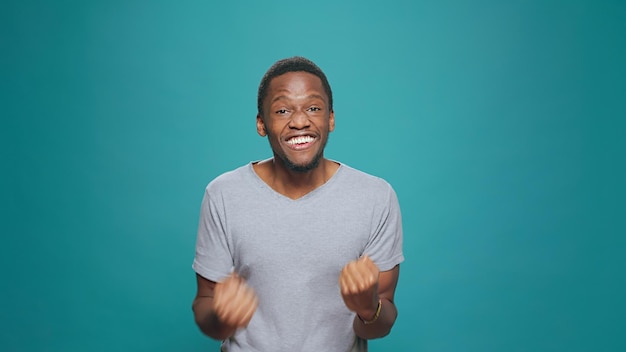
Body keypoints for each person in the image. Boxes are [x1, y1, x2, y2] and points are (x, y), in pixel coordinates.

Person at [192, 56, 404, 351]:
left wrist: (369, 308)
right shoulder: (223, 194)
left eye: (314, 108)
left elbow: (384, 319)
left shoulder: (375, 197)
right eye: (282, 110)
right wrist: (221, 318)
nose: (300, 121)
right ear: (261, 123)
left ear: (330, 118)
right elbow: (204, 302)